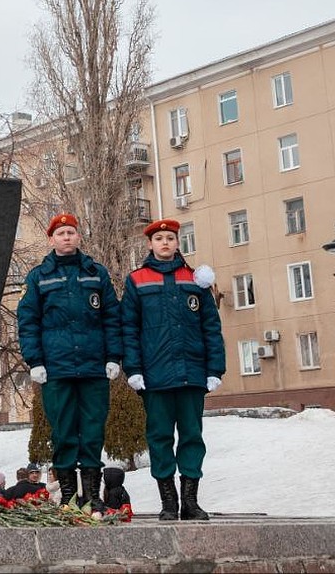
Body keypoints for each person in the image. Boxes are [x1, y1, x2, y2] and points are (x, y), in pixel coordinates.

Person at [121, 219, 225, 522]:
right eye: (159, 239)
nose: (165, 243)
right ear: (150, 245)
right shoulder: (137, 280)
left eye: (170, 238)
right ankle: (168, 502)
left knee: (192, 437)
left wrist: (214, 368)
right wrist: (134, 369)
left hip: (192, 373)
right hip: (155, 377)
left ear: (178, 243)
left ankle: (190, 503)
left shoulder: (196, 280)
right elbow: (129, 329)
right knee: (160, 438)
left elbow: (211, 327)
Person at [16, 213, 122, 509]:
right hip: (56, 369)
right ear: (52, 239)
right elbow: (28, 321)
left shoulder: (96, 273)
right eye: (61, 233)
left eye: (71, 232)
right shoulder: (39, 277)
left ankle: (92, 497)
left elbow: (112, 317)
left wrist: (113, 356)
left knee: (92, 430)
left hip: (93, 367)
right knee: (63, 432)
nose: (66, 237)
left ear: (78, 237)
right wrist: (35, 360)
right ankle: (68, 496)